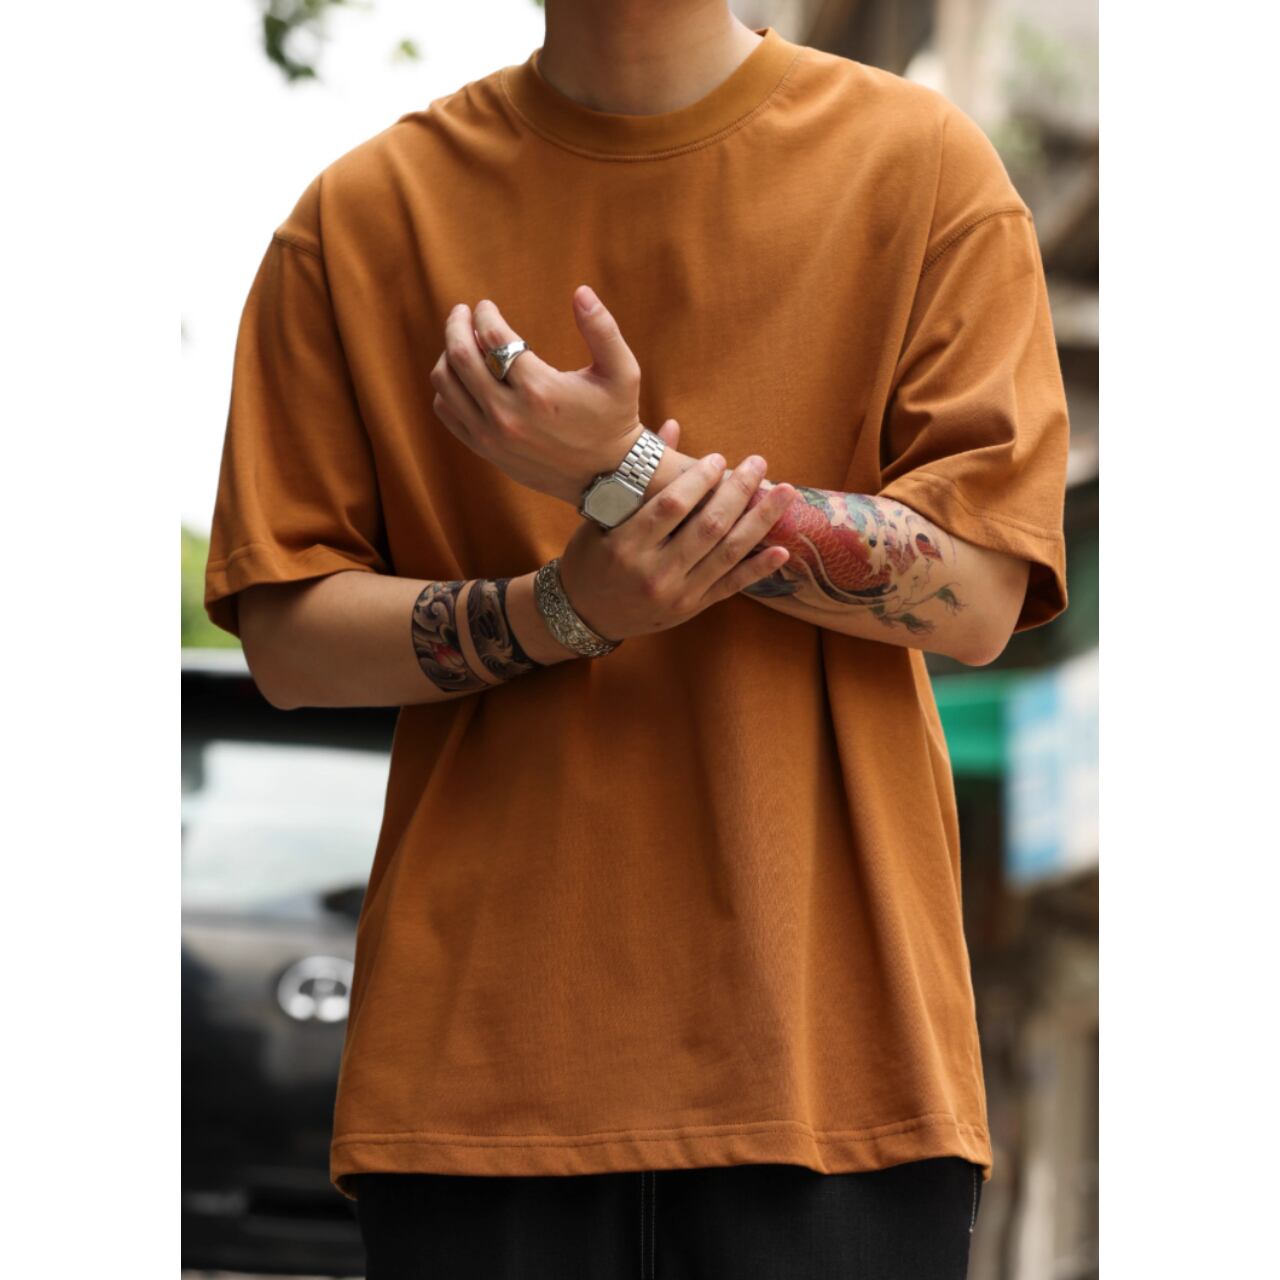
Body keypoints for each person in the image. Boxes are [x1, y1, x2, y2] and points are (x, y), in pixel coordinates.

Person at [204, 0, 1069, 1274]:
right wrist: (563, 608)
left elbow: (978, 591)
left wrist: (619, 472)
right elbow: (288, 636)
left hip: (832, 1059)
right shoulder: (360, 219)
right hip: (477, 1074)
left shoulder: (921, 167)